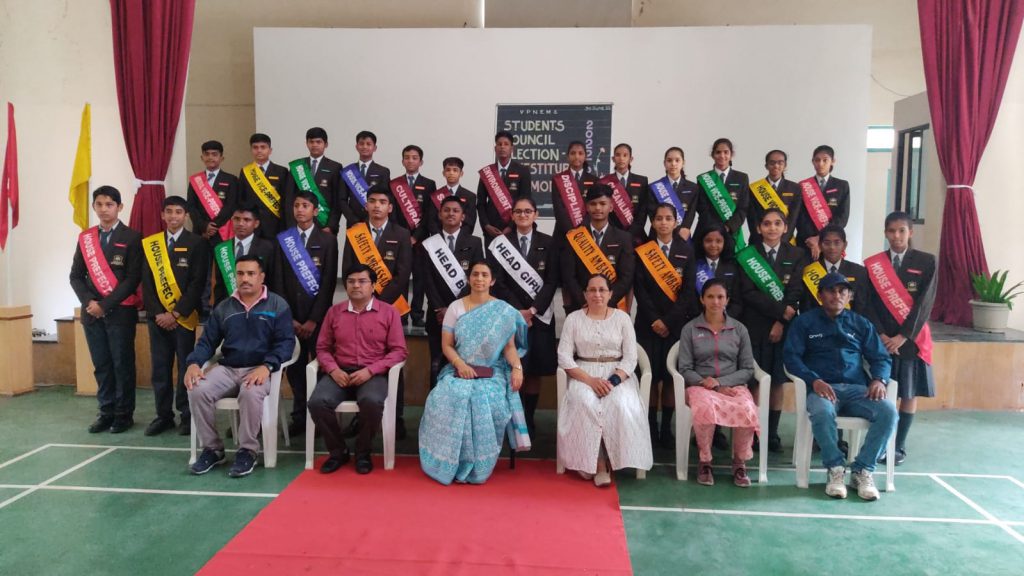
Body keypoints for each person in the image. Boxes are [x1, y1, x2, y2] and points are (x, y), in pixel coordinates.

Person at [784, 272, 896, 501]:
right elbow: (791, 358)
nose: (837, 296)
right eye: (831, 291)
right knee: (822, 412)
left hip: (857, 390)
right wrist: (813, 380)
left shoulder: (861, 323)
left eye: (842, 291)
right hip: (822, 389)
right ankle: (835, 469)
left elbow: (881, 358)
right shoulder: (804, 322)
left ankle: (862, 470)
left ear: (849, 296)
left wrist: (879, 379)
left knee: (889, 412)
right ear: (820, 295)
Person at [419, 260, 530, 485]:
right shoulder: (455, 308)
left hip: (492, 371)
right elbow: (447, 345)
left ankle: (479, 463)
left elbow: (509, 348)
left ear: (492, 281)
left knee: (485, 399)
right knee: (446, 397)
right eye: (475, 274)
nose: (479, 279)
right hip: (458, 367)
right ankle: (448, 461)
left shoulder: (502, 310)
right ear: (469, 279)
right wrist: (460, 364)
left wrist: (517, 369)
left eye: (484, 275)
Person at [184, 255, 296, 478]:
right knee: (197, 389)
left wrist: (267, 366)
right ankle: (213, 449)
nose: (245, 279)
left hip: (260, 369)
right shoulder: (224, 307)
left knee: (250, 392)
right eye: (241, 274)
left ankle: (247, 451)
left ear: (261, 277)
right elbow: (207, 342)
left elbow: (286, 343)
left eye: (251, 274)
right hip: (228, 369)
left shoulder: (277, 305)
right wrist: (194, 363)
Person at [309, 264, 408, 475]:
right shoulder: (334, 312)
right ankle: (338, 451)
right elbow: (322, 348)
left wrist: (370, 371)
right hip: (340, 373)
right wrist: (333, 370)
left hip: (373, 373)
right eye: (351, 281)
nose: (356, 285)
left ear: (373, 286)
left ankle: (362, 452)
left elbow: (399, 351)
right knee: (317, 402)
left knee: (371, 401)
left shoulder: (389, 312)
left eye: (362, 281)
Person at [557, 274, 653, 486]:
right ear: (585, 294)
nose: (597, 294)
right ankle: (598, 464)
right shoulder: (573, 319)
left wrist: (613, 381)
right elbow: (564, 356)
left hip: (618, 374)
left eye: (602, 290)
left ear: (610, 294)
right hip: (584, 373)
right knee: (584, 402)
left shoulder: (622, 318)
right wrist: (591, 381)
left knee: (620, 403)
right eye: (592, 290)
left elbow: (630, 357)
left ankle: (614, 458)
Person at [341, 186, 414, 439]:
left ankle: (397, 417)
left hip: (392, 309)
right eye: (372, 201)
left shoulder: (401, 234)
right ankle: (361, 416)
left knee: (394, 362)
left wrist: (379, 303)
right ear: (366, 205)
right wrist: (365, 301)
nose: (377, 206)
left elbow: (403, 274)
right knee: (360, 358)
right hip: (359, 310)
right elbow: (348, 270)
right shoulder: (355, 233)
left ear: (390, 207)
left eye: (382, 202)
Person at [69, 186, 143, 434]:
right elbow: (76, 276)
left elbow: (132, 279)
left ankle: (123, 414)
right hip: (92, 313)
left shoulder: (132, 237)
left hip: (120, 312)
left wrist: (105, 305)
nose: (104, 209)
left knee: (122, 364)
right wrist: (90, 302)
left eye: (109, 204)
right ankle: (106, 411)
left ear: (119, 207)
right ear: (94, 207)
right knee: (101, 365)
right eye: (99, 204)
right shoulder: (86, 238)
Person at [865, 211, 936, 466]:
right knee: (884, 393)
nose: (896, 236)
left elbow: (924, 303)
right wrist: (883, 335)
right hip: (882, 339)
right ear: (885, 233)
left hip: (910, 339)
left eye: (902, 231)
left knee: (908, 392)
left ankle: (899, 446)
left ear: (910, 232)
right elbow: (868, 304)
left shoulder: (927, 261)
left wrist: (903, 336)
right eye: (892, 231)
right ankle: (882, 443)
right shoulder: (874, 265)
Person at [487, 196, 559, 433]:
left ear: (536, 214)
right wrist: (519, 311)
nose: (523, 215)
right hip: (511, 316)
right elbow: (498, 282)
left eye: (528, 211)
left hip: (540, 317)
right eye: (518, 212)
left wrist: (533, 310)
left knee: (535, 369)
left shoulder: (549, 242)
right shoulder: (500, 244)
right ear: (512, 215)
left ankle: (528, 418)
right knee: (514, 368)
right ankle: (513, 418)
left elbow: (552, 281)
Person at [739, 208, 807, 453]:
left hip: (784, 327)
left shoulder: (797, 254)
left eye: (777, 223)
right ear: (758, 228)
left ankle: (772, 433)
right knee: (755, 381)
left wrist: (781, 321)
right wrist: (780, 312)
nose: (772, 228)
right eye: (766, 223)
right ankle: (754, 432)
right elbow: (748, 292)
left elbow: (796, 291)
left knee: (777, 380)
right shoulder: (748, 255)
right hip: (754, 325)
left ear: (785, 227)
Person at [678, 278, 758, 487]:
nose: (715, 301)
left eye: (720, 297)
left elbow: (748, 369)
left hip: (733, 385)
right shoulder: (690, 329)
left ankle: (739, 463)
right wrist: (711, 385)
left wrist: (722, 382)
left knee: (747, 408)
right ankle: (705, 462)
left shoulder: (739, 329)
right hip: (700, 386)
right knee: (705, 407)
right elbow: (685, 368)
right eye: (710, 297)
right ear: (702, 299)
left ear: (727, 300)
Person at [141, 196, 209, 436]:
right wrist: (159, 313)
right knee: (160, 369)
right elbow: (147, 284)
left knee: (185, 367)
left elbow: (197, 283)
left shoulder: (197, 243)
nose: (173, 216)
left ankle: (186, 415)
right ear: (162, 215)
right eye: (168, 211)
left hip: (184, 318)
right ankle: (163, 416)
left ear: (186, 215)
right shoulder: (151, 244)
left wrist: (176, 312)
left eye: (178, 212)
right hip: (157, 319)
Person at [272, 191, 339, 436]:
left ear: (315, 211)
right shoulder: (284, 239)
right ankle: (300, 416)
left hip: (318, 319)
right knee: (296, 369)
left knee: (320, 366)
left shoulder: (328, 241)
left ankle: (320, 416)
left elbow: (329, 283)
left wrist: (313, 319)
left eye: (305, 205)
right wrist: (289, 318)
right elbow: (278, 281)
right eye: (297, 205)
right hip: (290, 318)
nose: (300, 209)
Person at [633, 203, 697, 447]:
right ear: (653, 221)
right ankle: (649, 426)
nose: (663, 223)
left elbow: (688, 292)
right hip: (647, 324)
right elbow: (639, 289)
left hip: (675, 326)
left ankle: (666, 428)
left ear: (675, 221)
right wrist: (655, 319)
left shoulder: (686, 251)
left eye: (668, 218)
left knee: (671, 378)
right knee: (648, 377)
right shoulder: (644, 251)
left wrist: (668, 321)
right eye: (658, 218)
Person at [422, 196, 485, 388]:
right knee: (436, 364)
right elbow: (426, 279)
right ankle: (435, 403)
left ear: (463, 216)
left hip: (466, 313)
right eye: (447, 210)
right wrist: (439, 308)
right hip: (437, 315)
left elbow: (477, 278)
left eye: (456, 211)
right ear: (440, 214)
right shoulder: (429, 244)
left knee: (465, 363)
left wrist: (452, 309)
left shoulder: (475, 242)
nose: (451, 214)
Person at [561, 184, 635, 313]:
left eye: (602, 203)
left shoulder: (624, 238)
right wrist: (585, 300)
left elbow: (626, 277)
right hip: (581, 307)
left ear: (611, 207)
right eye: (593, 204)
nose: (598, 208)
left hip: (612, 307)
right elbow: (569, 276)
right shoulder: (574, 237)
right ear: (587, 207)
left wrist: (605, 301)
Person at [391, 144, 434, 327]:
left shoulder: (429, 184)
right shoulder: (394, 184)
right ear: (402, 161)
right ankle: (401, 314)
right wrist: (402, 237)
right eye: (407, 157)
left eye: (414, 158)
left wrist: (415, 237)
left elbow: (429, 215)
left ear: (421, 162)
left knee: (419, 278)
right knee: (400, 277)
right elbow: (392, 213)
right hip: (399, 240)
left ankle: (417, 314)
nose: (410, 161)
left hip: (420, 240)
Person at [800, 224, 872, 319]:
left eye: (837, 243)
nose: (832, 247)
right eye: (827, 243)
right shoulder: (809, 271)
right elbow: (806, 306)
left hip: (850, 324)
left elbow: (862, 306)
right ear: (820, 245)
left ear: (844, 245)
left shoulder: (859, 272)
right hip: (816, 324)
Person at [211, 203, 277, 306]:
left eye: (246, 220)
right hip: (228, 308)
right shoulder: (222, 249)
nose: (240, 224)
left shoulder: (267, 248)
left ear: (256, 223)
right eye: (237, 219)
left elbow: (273, 282)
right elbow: (219, 285)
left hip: (259, 306)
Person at [796, 145, 851, 261]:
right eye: (817, 160)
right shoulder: (802, 186)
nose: (820, 164)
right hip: (807, 243)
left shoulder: (842, 185)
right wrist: (812, 240)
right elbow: (800, 217)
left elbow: (842, 217)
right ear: (813, 162)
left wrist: (820, 238)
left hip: (831, 244)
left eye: (825, 160)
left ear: (833, 161)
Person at [477, 131, 532, 244]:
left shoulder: (522, 171)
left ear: (512, 149)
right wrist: (486, 225)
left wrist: (511, 226)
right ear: (495, 148)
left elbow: (526, 202)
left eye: (506, 144)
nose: (502, 147)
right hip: (491, 230)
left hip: (515, 228)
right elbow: (480, 203)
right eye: (499, 144)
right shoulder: (487, 172)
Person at [694, 138, 749, 250]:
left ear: (731, 154)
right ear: (713, 155)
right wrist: (715, 229)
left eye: (726, 152)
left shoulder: (742, 178)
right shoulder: (703, 179)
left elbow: (743, 208)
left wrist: (728, 227)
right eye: (718, 152)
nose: (722, 156)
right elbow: (702, 208)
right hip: (707, 232)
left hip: (732, 232)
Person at [288, 127, 344, 235]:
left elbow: (337, 201)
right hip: (299, 226)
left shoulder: (335, 167)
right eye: (311, 142)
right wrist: (291, 225)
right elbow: (289, 199)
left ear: (326, 144)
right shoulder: (297, 167)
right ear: (307, 143)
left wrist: (331, 226)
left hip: (324, 225)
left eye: (318, 142)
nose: (314, 145)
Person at [186, 140, 241, 250]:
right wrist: (204, 226)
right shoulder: (195, 180)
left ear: (222, 158)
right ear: (202, 157)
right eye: (207, 154)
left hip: (222, 232)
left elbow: (231, 206)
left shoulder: (231, 179)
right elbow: (191, 206)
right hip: (201, 232)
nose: (210, 157)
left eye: (214, 154)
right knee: (200, 260)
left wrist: (213, 226)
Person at [238, 133, 289, 239]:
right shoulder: (245, 172)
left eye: (263, 147)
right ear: (251, 150)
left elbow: (286, 200)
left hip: (275, 224)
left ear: (270, 150)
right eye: (255, 147)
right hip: (252, 225)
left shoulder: (282, 171)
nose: (259, 150)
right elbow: (241, 199)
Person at [746, 149, 802, 246]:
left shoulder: (795, 188)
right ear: (766, 166)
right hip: (759, 241)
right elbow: (752, 218)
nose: (776, 165)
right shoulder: (754, 188)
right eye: (772, 163)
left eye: (780, 162)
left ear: (785, 165)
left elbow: (793, 218)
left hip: (786, 242)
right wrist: (764, 240)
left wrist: (782, 242)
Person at [340, 130, 391, 227]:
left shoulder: (383, 171)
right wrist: (353, 219)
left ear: (374, 148)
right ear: (356, 147)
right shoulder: (347, 171)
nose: (364, 147)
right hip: (353, 223)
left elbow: (385, 199)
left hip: (375, 222)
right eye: (361, 144)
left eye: (368, 144)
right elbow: (342, 199)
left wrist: (371, 220)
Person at [601, 143, 649, 246]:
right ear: (613, 159)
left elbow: (643, 210)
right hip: (612, 234)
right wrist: (614, 231)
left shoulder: (642, 181)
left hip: (636, 235)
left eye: (625, 155)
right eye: (618, 155)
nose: (621, 158)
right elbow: (604, 210)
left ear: (631, 159)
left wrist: (633, 231)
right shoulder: (604, 182)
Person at [552, 140, 601, 241]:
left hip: (586, 232)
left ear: (585, 156)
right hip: (563, 232)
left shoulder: (594, 180)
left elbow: (594, 207)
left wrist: (582, 228)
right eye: (573, 153)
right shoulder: (558, 179)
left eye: (580, 153)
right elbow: (558, 209)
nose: (577, 157)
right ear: (567, 156)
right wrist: (570, 229)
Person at [648, 147, 699, 242]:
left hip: (682, 234)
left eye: (677, 160)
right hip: (658, 234)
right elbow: (652, 213)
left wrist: (686, 227)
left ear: (683, 163)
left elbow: (691, 212)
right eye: (669, 160)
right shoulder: (654, 187)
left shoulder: (693, 187)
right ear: (664, 163)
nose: (673, 164)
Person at [693, 224, 743, 319]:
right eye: (708, 241)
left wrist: (723, 319)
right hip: (698, 321)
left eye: (718, 241)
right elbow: (690, 299)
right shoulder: (693, 266)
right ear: (701, 242)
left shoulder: (733, 267)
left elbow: (737, 302)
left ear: (725, 243)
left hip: (727, 322)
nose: (713, 245)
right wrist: (704, 319)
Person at [425, 157, 477, 236]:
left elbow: (470, 222)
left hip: (461, 239)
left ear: (461, 173)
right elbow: (431, 222)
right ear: (443, 173)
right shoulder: (435, 195)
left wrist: (456, 238)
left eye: (455, 170)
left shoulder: (470, 196)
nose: (451, 173)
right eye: (448, 170)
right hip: (439, 239)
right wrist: (442, 237)